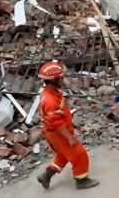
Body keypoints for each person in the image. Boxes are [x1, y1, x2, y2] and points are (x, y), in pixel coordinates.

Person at [36, 61, 99, 190]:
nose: (63, 80)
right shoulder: (51, 99)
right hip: (58, 134)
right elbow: (56, 123)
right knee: (79, 155)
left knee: (64, 155)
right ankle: (81, 181)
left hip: (53, 133)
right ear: (54, 80)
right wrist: (69, 137)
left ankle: (46, 176)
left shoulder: (49, 93)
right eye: (61, 77)